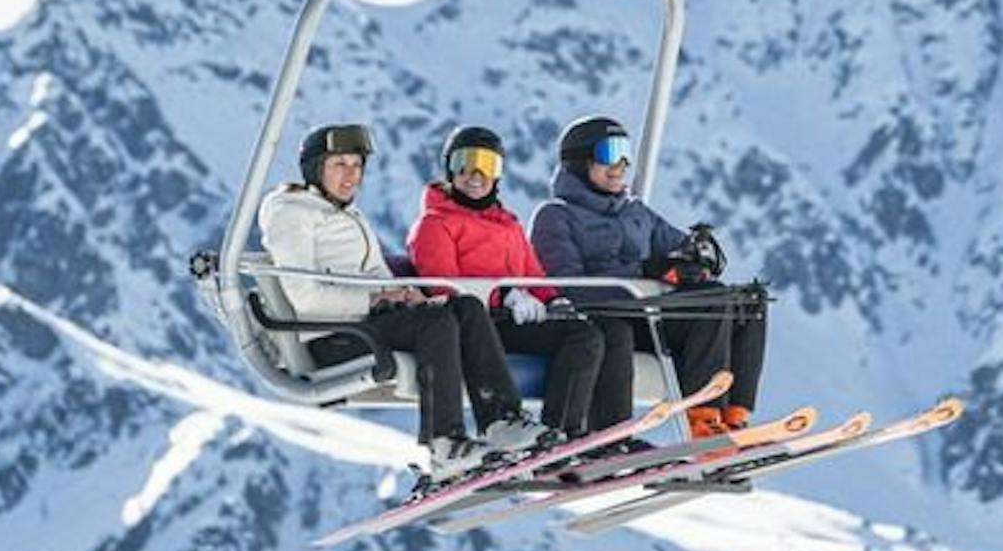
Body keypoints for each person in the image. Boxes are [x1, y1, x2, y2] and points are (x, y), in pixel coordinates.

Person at [255, 121, 534, 479]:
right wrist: (374, 299)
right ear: (315, 169)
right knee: (436, 324)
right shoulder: (291, 213)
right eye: (340, 164)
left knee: (464, 307)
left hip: (366, 324)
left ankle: (501, 420)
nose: (351, 175)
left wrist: (405, 294)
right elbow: (305, 297)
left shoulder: (347, 214)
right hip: (331, 336)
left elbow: (375, 275)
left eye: (357, 165)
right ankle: (445, 443)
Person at [528, 113, 767, 438]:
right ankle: (702, 421)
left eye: (625, 153)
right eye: (609, 153)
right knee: (700, 307)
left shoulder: (634, 211)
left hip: (649, 315)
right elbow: (566, 287)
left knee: (742, 302)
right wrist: (644, 275)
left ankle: (733, 415)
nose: (620, 164)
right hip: (607, 315)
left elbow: (679, 247)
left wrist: (693, 259)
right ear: (580, 162)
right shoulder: (556, 217)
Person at [403, 124, 625, 446]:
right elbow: (444, 289)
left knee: (585, 335)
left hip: (513, 320)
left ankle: (561, 433)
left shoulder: (507, 223)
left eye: (487, 165)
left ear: (498, 173)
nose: (475, 174)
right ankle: (527, 432)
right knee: (582, 336)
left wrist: (551, 301)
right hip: (477, 327)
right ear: (449, 169)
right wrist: (503, 296)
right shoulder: (434, 224)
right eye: (464, 163)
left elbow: (533, 275)